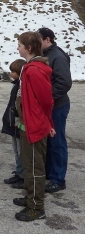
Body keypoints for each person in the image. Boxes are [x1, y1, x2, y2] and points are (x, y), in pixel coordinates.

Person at [13, 31, 55, 222]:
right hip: (27, 124)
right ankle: (30, 197)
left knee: (34, 167)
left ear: (29, 48)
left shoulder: (34, 70)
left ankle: (37, 207)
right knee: (28, 165)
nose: (17, 48)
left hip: (34, 126)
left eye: (20, 45)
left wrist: (48, 123)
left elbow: (46, 100)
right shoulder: (28, 68)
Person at [37, 27, 72, 193]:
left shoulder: (57, 56)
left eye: (39, 40)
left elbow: (64, 83)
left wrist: (47, 97)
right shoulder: (45, 55)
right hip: (48, 106)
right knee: (49, 142)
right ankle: (50, 174)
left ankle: (58, 179)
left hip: (57, 106)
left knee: (57, 142)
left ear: (48, 39)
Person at [1, 59, 26, 188]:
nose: (11, 73)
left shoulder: (22, 86)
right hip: (12, 120)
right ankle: (19, 172)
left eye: (13, 71)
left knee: (22, 150)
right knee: (16, 150)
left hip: (18, 122)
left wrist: (18, 119)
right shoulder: (16, 84)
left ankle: (24, 176)